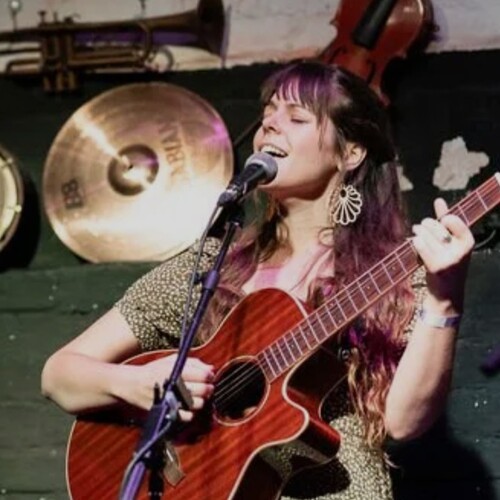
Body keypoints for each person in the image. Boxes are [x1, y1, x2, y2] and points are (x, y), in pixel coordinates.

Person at [41, 60, 475, 499]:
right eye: (268, 114)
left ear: (350, 153)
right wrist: (137, 383)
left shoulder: (393, 272)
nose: (270, 125)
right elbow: (59, 376)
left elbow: (404, 422)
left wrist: (445, 300)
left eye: (296, 118)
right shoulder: (212, 266)